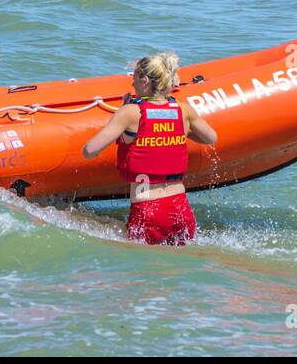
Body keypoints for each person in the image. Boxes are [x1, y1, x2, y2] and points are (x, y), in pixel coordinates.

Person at [81, 52, 217, 246]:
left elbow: (89, 150)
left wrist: (122, 121)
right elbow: (210, 138)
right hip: (180, 209)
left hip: (148, 209)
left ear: (144, 81)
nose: (132, 85)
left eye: (134, 79)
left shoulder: (130, 112)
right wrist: (178, 133)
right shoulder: (183, 110)